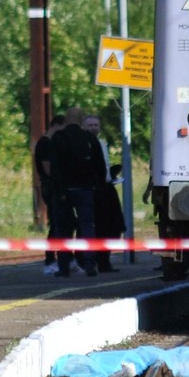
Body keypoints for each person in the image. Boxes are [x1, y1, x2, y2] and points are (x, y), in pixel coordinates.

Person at [49, 106, 107, 277]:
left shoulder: (58, 138)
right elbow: (100, 165)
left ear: (66, 120)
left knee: (63, 229)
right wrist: (98, 186)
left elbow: (55, 167)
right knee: (87, 226)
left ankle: (64, 266)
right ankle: (90, 264)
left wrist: (58, 190)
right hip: (86, 190)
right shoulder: (89, 138)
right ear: (82, 121)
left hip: (64, 191)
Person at [84, 114, 124, 273]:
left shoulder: (101, 143)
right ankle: (97, 261)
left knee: (115, 224)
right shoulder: (84, 144)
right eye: (90, 125)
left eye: (96, 125)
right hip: (94, 190)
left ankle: (104, 260)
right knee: (99, 226)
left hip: (107, 188)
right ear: (83, 127)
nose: (94, 128)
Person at [34, 114, 66, 275]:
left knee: (62, 223)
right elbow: (48, 169)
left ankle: (64, 258)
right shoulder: (46, 143)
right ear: (57, 126)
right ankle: (50, 259)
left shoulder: (47, 142)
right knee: (56, 224)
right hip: (51, 188)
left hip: (51, 187)